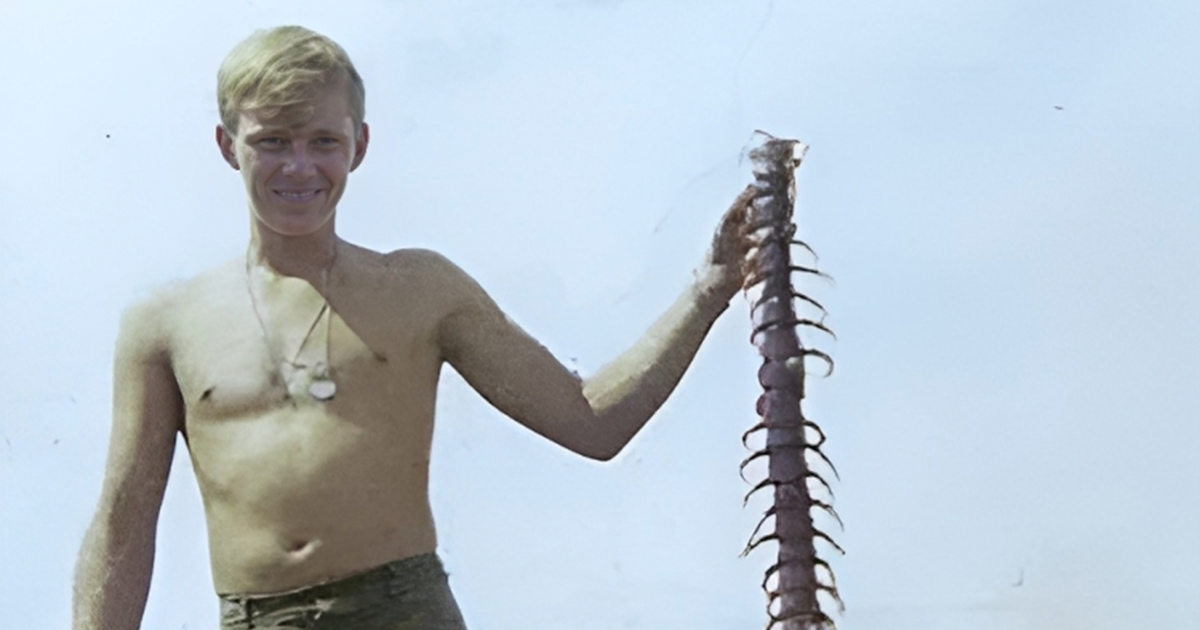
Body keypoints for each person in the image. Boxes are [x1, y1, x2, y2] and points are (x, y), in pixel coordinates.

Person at [72, 25, 755, 630]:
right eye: (272, 141)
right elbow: (124, 521)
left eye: (323, 141)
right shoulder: (166, 324)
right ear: (228, 146)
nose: (299, 167)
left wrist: (709, 288)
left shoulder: (420, 290)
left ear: (359, 145)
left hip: (405, 610)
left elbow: (591, 421)